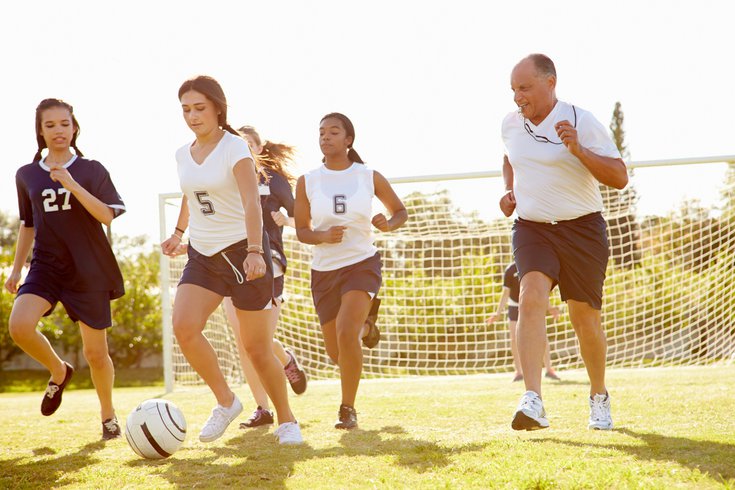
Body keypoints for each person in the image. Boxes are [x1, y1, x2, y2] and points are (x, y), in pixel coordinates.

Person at [160, 76, 301, 444]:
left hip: (243, 253)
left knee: (255, 347)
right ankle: (226, 402)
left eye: (199, 108)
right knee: (184, 327)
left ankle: (286, 420)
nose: (192, 116)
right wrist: (177, 235)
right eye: (186, 109)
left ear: (218, 108)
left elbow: (252, 202)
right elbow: (192, 197)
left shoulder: (234, 147)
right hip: (203, 256)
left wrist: (256, 251)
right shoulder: (181, 154)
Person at [500, 54, 628, 431]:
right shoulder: (510, 124)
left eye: (524, 88)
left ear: (550, 82)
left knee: (584, 318)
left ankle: (598, 396)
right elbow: (510, 158)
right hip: (533, 227)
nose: (517, 97)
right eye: (513, 90)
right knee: (531, 294)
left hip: (582, 229)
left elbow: (620, 177)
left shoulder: (581, 121)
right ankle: (533, 399)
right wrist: (508, 191)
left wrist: (579, 151)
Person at [5, 98, 126, 440]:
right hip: (45, 266)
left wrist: (72, 184)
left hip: (88, 269)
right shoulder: (26, 174)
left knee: (95, 353)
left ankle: (108, 416)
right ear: (40, 132)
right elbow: (28, 225)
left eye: (64, 124)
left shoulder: (92, 169)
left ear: (74, 127)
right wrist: (16, 271)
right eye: (50, 125)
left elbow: (106, 215)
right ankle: (58, 371)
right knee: (20, 326)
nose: (58, 131)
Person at [294, 113, 407, 429]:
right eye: (321, 132)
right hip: (324, 272)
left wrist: (388, 223)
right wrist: (321, 236)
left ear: (348, 140)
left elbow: (400, 212)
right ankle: (367, 328)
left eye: (333, 132)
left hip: (361, 263)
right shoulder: (307, 181)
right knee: (337, 353)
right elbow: (302, 230)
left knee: (346, 332)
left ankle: (347, 409)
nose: (325, 137)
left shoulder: (368, 176)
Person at [222, 125, 308, 428]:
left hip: (269, 263)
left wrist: (288, 219)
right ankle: (263, 408)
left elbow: (305, 217)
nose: (243, 148)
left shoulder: (274, 181)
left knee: (256, 339)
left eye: (249, 144)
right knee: (244, 339)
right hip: (231, 264)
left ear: (258, 148)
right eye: (238, 144)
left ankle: (284, 359)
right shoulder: (224, 179)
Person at [486, 262, 561, 382]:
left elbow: (540, 291)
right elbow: (506, 293)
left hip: (531, 305)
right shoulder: (510, 270)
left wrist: (550, 307)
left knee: (541, 335)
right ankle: (519, 372)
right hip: (514, 306)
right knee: (514, 338)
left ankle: (548, 369)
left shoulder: (533, 266)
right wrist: (497, 313)